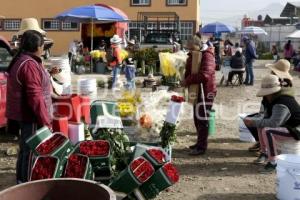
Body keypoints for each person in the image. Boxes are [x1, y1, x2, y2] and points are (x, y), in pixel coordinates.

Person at [6, 30, 52, 183]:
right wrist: (45, 121)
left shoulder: (23, 59)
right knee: (32, 150)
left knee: (25, 149)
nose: (43, 49)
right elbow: (35, 96)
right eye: (42, 45)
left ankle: (21, 179)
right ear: (36, 47)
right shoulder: (29, 64)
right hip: (31, 115)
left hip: (26, 114)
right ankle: (26, 183)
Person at [244, 74, 300, 172]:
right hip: (288, 126)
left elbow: (274, 123)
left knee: (267, 130)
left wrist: (253, 122)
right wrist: (255, 121)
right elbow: (266, 117)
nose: (265, 96)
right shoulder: (274, 99)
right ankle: (264, 152)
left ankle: (273, 163)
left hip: (296, 130)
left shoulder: (281, 103)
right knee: (261, 126)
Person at [246, 59, 294, 153]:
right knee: (255, 120)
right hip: (281, 113)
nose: (271, 71)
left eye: (273, 70)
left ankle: (264, 144)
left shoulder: (277, 86)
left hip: (282, 116)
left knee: (255, 122)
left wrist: (259, 117)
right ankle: (262, 142)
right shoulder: (287, 84)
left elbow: (270, 108)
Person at [183, 38, 217, 156]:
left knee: (202, 119)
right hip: (196, 90)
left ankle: (202, 146)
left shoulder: (207, 56)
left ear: (199, 45)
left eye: (192, 48)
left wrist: (187, 80)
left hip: (206, 91)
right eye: (189, 49)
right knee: (197, 118)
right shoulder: (195, 54)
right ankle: (199, 142)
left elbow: (205, 75)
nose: (190, 51)